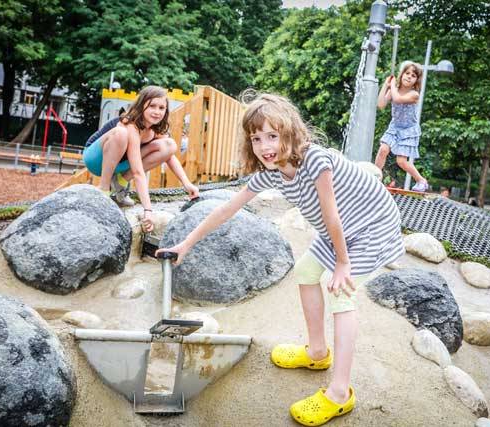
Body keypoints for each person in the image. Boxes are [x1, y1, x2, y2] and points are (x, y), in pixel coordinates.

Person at [157, 93, 404, 426]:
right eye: (256, 138)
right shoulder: (271, 174)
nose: (264, 145)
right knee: (305, 272)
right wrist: (185, 244)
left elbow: (331, 215)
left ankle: (340, 393)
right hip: (344, 229)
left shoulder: (315, 160)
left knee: (341, 294)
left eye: (272, 136)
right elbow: (227, 208)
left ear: (290, 132)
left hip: (371, 225)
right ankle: (317, 353)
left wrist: (342, 265)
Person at [83, 86, 199, 232]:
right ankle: (104, 189)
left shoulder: (155, 130)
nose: (157, 112)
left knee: (169, 145)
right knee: (120, 133)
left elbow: (170, 156)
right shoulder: (131, 124)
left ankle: (120, 183)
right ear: (141, 105)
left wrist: (187, 184)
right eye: (152, 106)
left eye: (162, 108)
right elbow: (138, 172)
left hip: (120, 165)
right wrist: (148, 210)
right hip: (97, 159)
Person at [374, 61, 429, 192]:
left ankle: (421, 180)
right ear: (402, 74)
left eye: (413, 75)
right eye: (407, 73)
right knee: (383, 149)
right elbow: (381, 104)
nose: (409, 76)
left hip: (408, 130)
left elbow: (398, 99)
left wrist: (392, 85)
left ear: (416, 80)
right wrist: (386, 86)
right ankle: (374, 176)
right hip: (395, 127)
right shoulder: (394, 89)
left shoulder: (414, 94)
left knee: (401, 161)